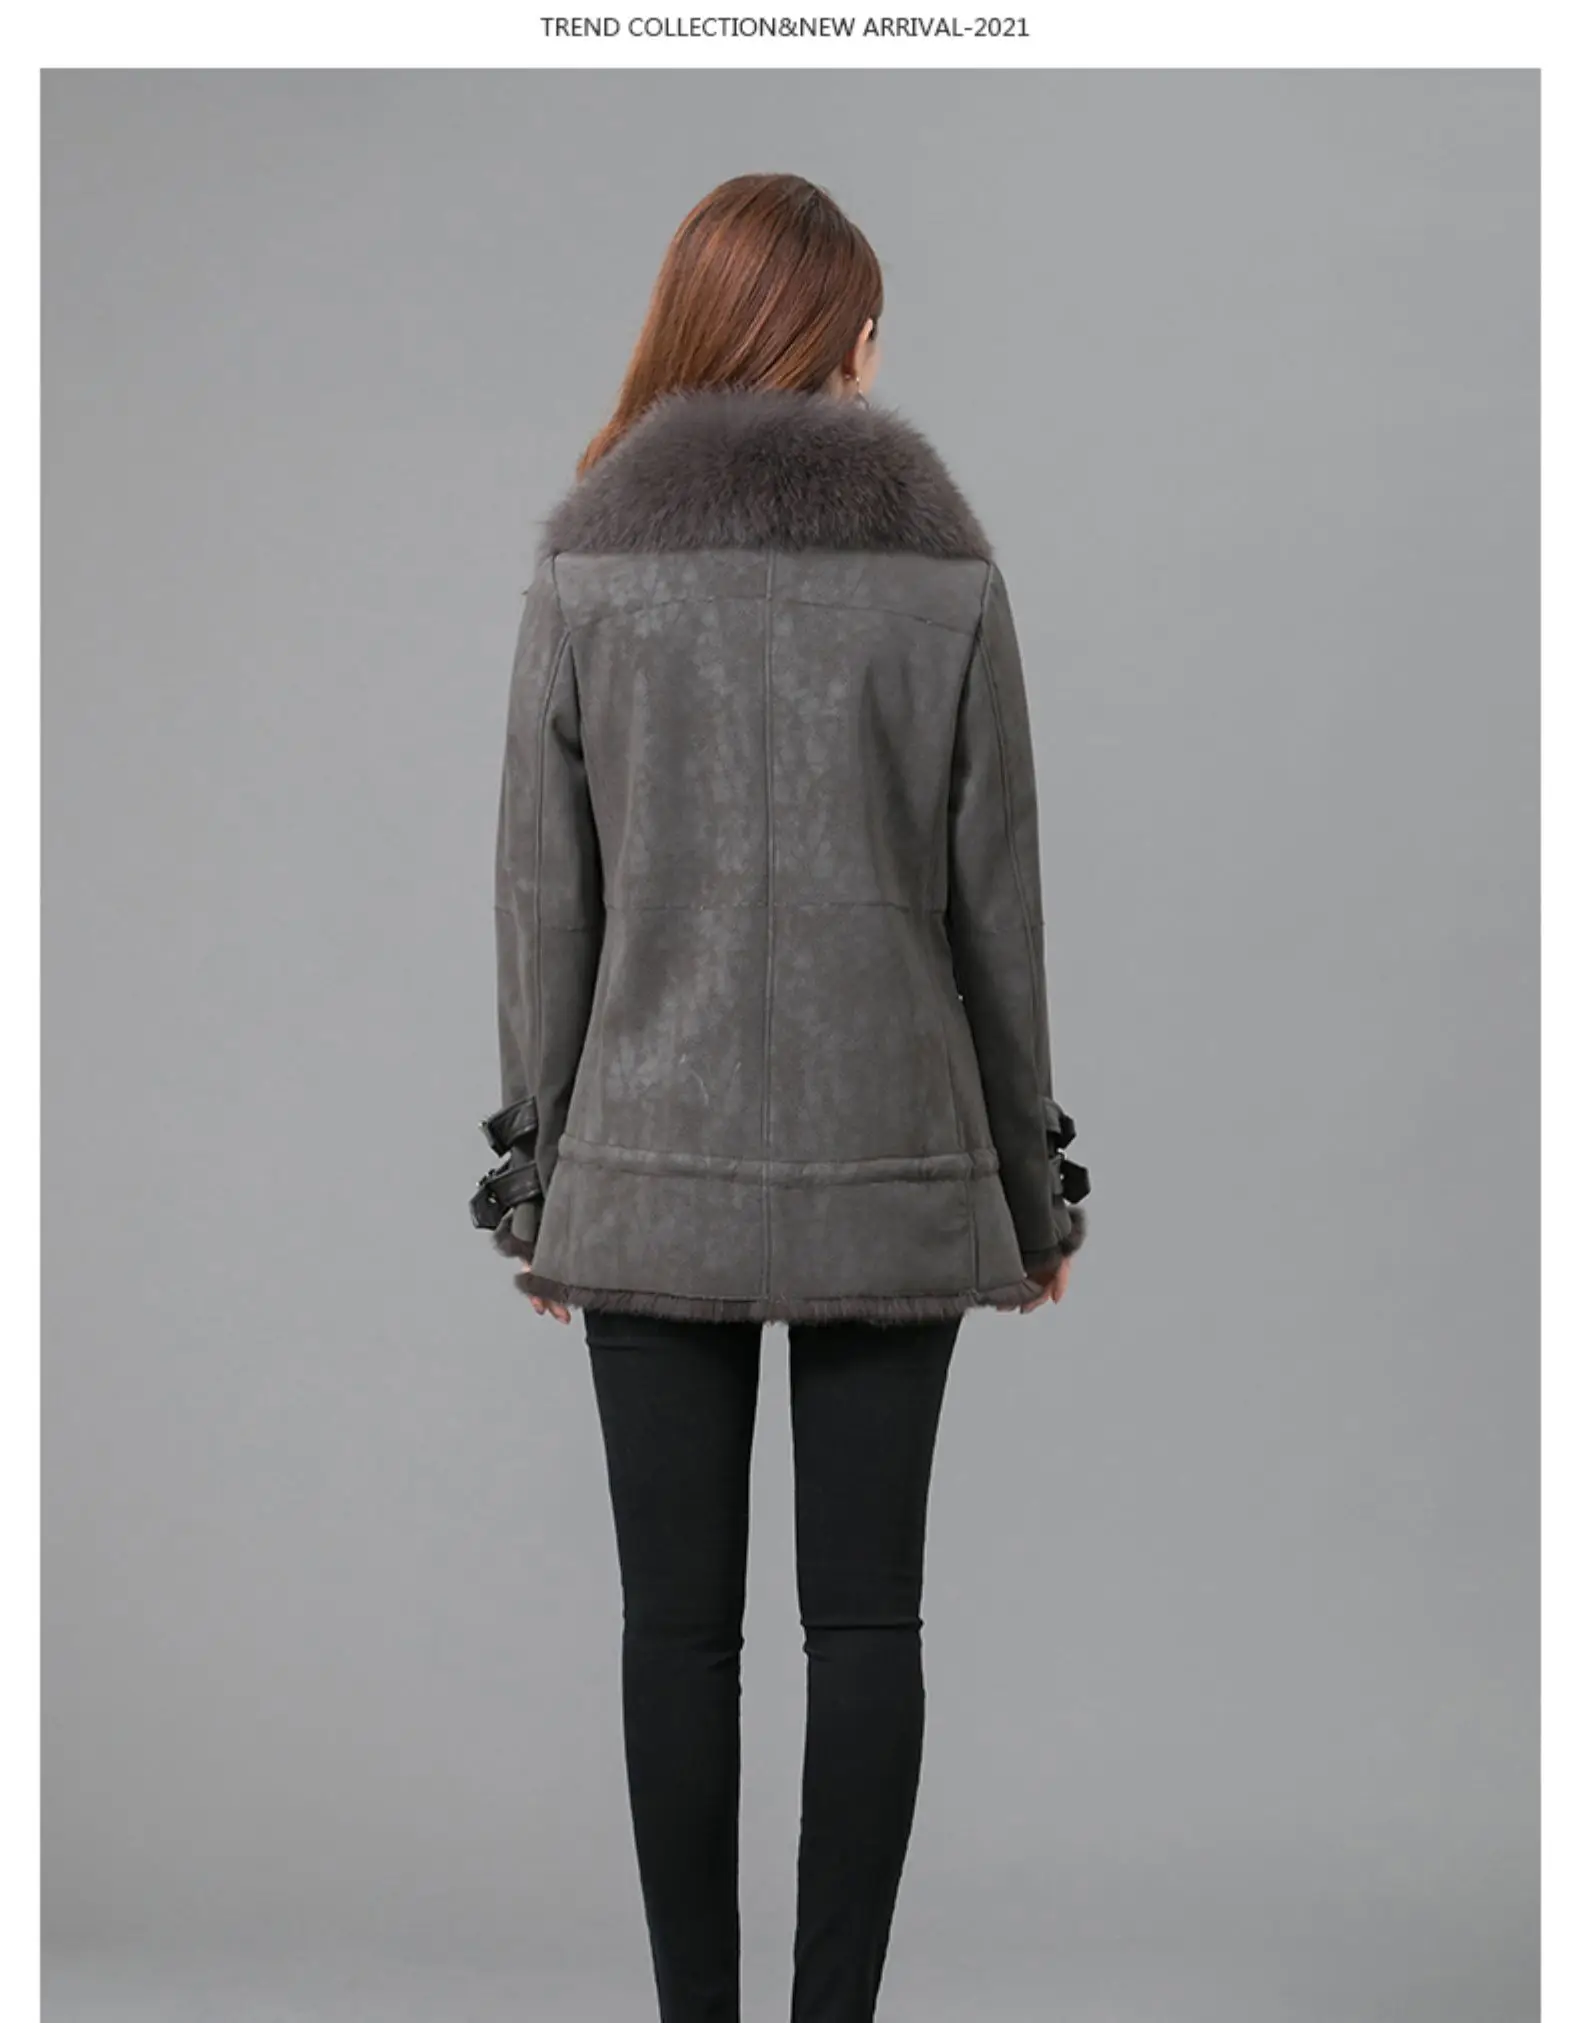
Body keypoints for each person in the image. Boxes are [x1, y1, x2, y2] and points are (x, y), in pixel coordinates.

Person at [468, 171, 1090, 2023]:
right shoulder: (948, 584)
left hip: (644, 1168)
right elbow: (1000, 918)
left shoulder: (586, 579)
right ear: (851, 345)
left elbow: (543, 910)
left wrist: (539, 1180)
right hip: (894, 1163)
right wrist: (1035, 1193)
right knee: (869, 1620)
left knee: (676, 1630)